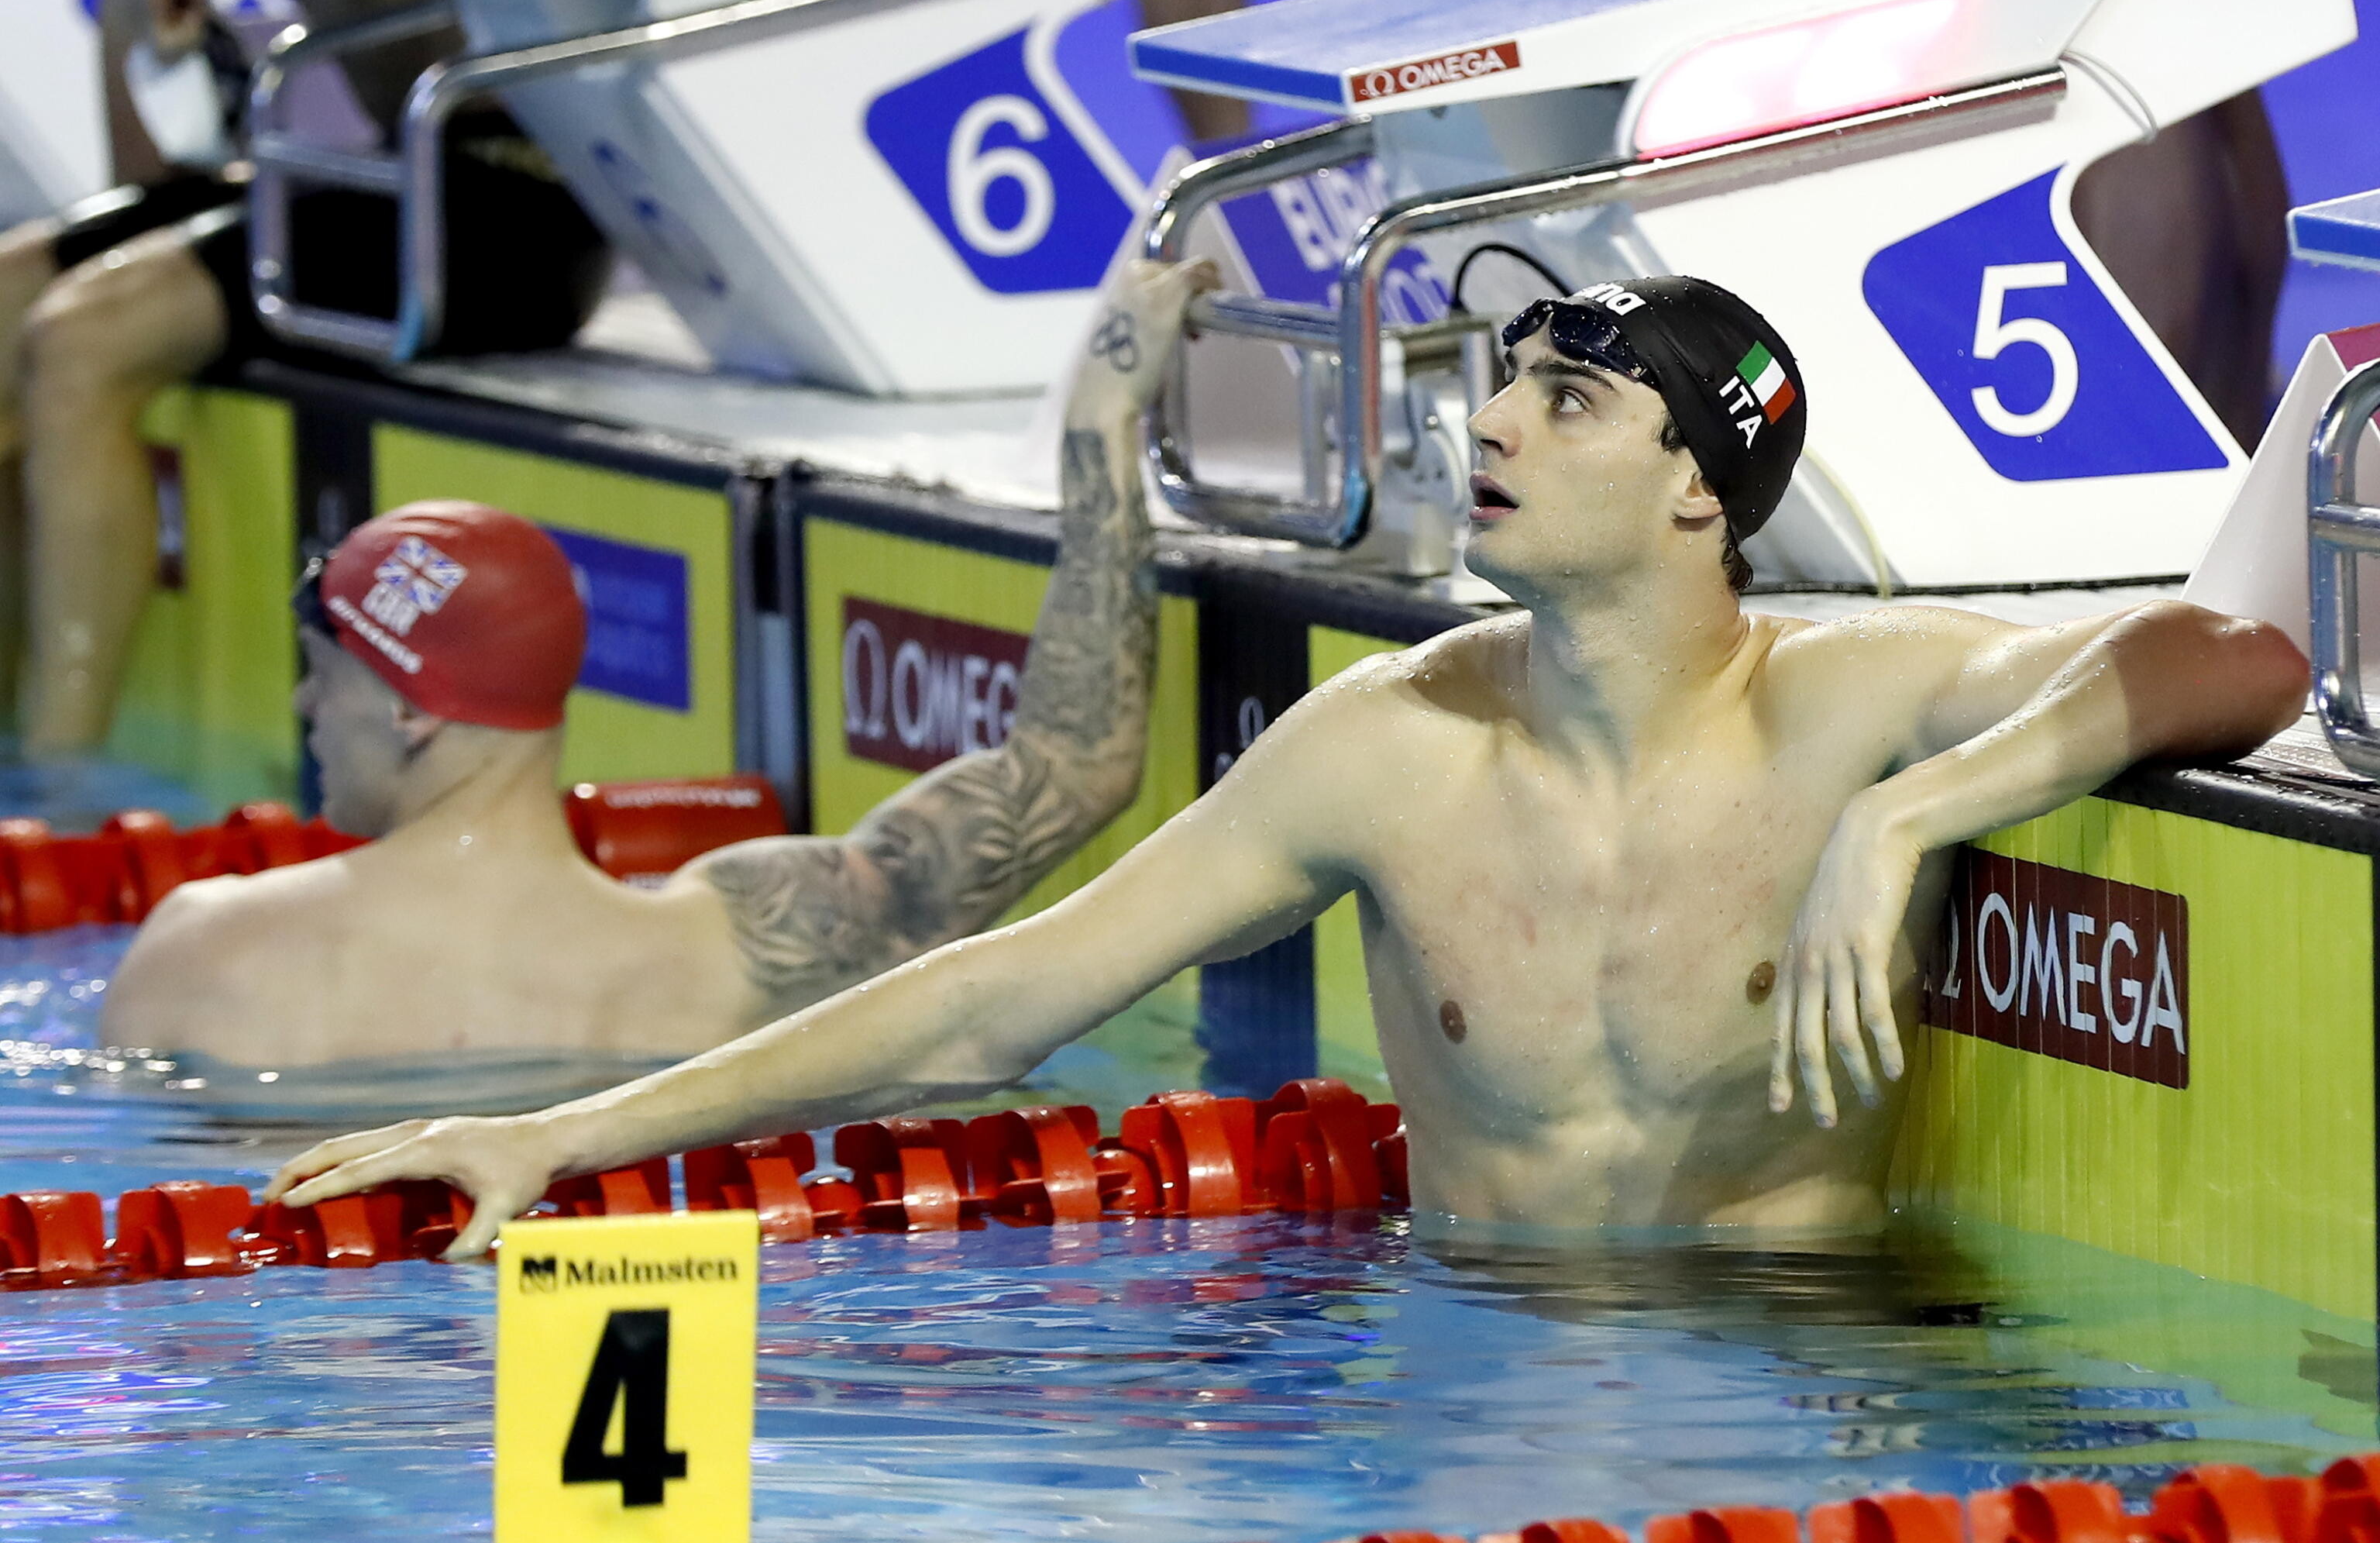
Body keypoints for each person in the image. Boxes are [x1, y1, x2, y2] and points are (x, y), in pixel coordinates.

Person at [266, 274, 2307, 1256]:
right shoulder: (1388, 752)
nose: (1489, 418)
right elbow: (1001, 995)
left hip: (1798, 1403)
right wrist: (570, 1131)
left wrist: (1915, 814)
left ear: (1702, 492)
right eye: (1505, 377)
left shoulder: (1847, 708)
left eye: (1568, 397)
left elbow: (2232, 648)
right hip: (1466, 1372)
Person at [101, 257, 1212, 1065]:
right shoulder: (742, 943)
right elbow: (1073, 764)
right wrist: (1102, 417)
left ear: (411, 710)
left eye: (323, 671)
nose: (302, 701)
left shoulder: (208, 952)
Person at [0, 0, 609, 755]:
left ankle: (57, 783)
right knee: (10, 293)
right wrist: (134, 30)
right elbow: (151, 176)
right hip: (397, 167)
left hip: (520, 200)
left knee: (82, 336)